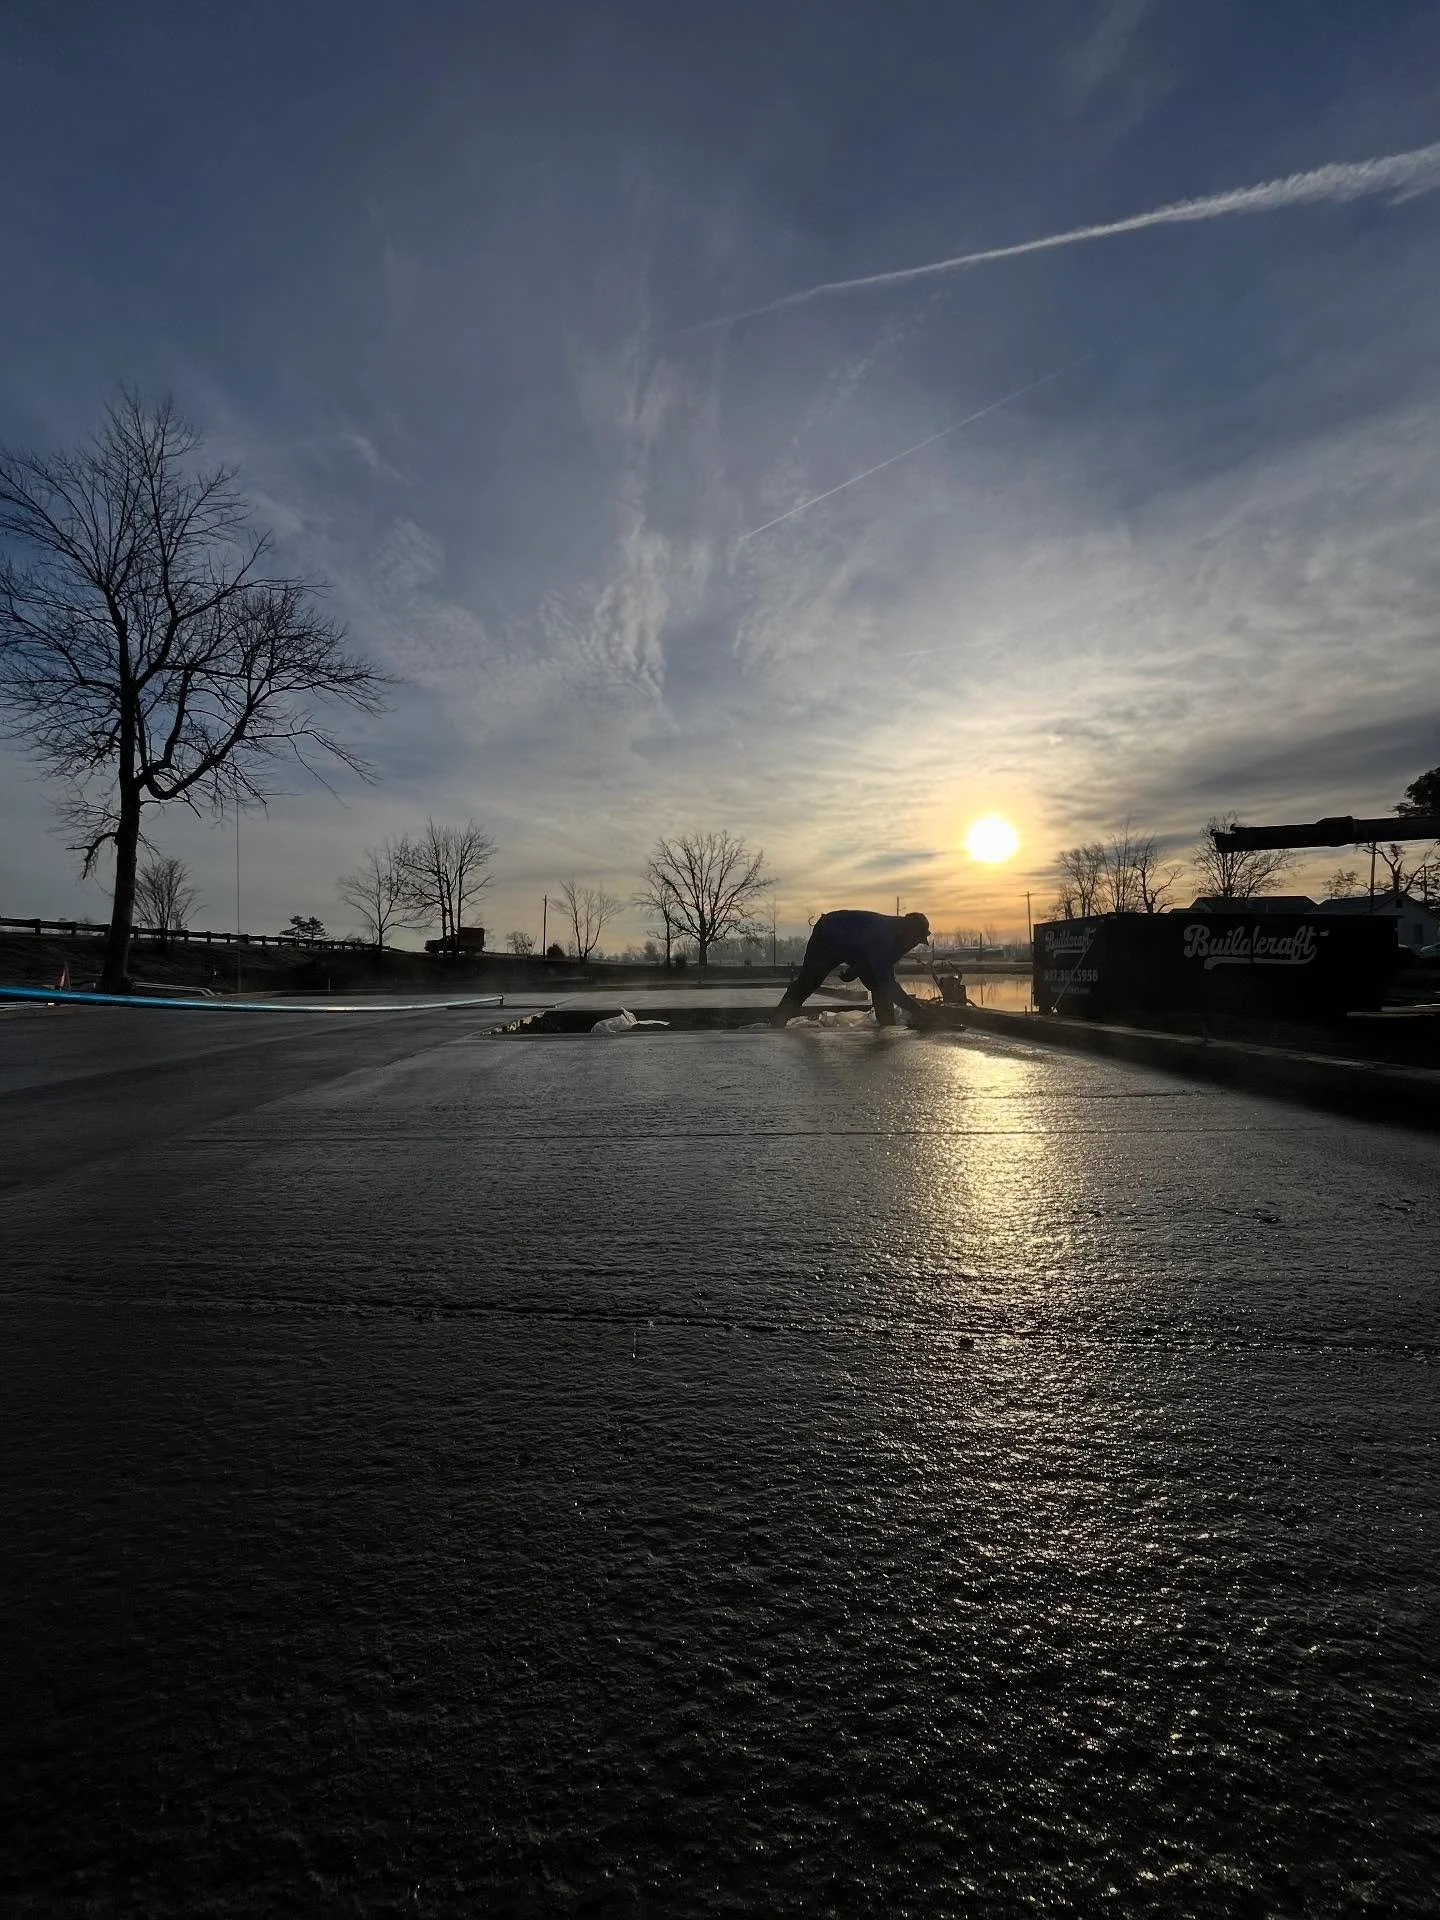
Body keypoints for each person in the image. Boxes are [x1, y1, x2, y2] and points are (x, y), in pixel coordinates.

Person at [772, 909, 932, 1027]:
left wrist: (853, 971)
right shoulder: (884, 936)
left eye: (918, 941)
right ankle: (778, 1021)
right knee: (809, 981)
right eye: (915, 939)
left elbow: (867, 957)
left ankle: (887, 1027)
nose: (914, 944)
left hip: (849, 942)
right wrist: (918, 1011)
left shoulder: (900, 937)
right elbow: (887, 982)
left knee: (878, 987)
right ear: (906, 931)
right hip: (827, 935)